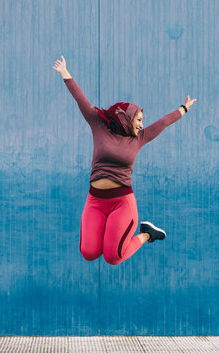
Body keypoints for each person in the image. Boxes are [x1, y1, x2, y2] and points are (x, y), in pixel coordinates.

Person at [52, 55, 196, 265]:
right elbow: (81, 101)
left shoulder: (138, 139)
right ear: (126, 117)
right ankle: (109, 232)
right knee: (89, 253)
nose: (140, 125)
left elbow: (163, 122)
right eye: (138, 120)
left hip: (122, 202)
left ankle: (146, 234)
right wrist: (66, 74)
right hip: (95, 200)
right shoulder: (98, 125)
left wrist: (183, 109)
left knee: (113, 257)